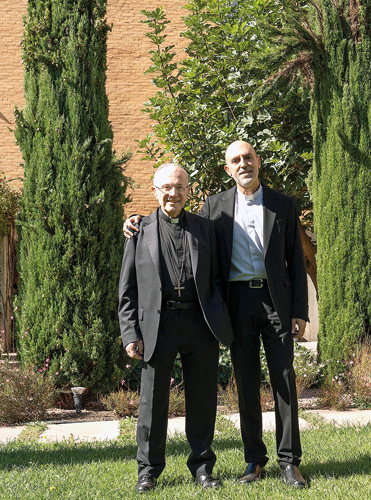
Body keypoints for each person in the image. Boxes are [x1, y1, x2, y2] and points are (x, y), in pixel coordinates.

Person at [124, 141, 309, 488]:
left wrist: (300, 309)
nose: (243, 164)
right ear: (228, 169)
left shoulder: (283, 204)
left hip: (275, 302)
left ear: (258, 161)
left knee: (284, 379)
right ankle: (254, 460)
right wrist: (136, 221)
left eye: (248, 157)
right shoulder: (215, 207)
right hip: (236, 301)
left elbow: (295, 260)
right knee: (246, 384)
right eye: (235, 160)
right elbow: (173, 221)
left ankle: (289, 461)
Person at [118, 163, 233, 493]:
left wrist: (219, 319)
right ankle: (148, 471)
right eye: (167, 187)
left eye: (180, 187)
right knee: (152, 403)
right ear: (155, 191)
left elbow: (219, 279)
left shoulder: (205, 229)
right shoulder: (138, 230)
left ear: (188, 191)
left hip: (199, 323)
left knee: (203, 400)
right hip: (158, 325)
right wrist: (131, 333)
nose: (174, 193)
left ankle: (202, 467)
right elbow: (127, 289)